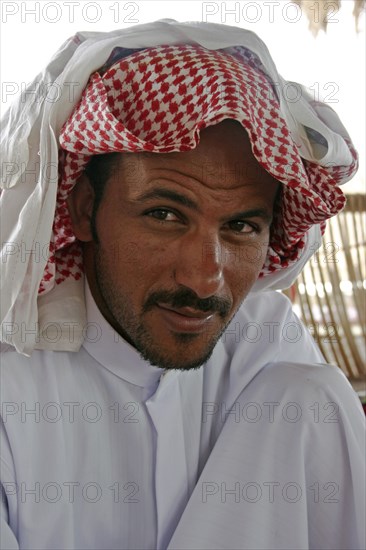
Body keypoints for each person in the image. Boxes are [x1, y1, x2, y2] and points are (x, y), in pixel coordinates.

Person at [0, 19, 364, 550]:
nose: (204, 278)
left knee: (315, 398)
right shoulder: (14, 384)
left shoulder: (266, 340)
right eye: (166, 215)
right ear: (83, 211)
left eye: (241, 226)